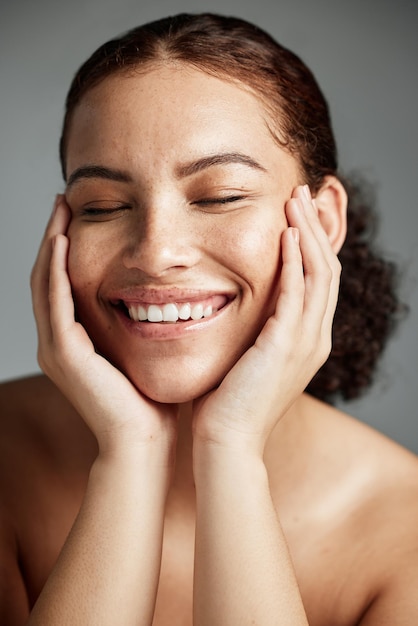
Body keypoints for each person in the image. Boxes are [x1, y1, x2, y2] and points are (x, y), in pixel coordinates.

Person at [0, 12, 417, 625]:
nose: (156, 252)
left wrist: (230, 448)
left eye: (220, 196)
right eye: (105, 205)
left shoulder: (403, 528)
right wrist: (129, 455)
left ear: (322, 224)